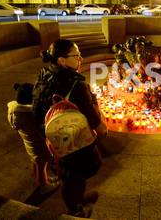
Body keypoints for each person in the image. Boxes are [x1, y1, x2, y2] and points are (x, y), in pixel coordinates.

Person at [32, 39, 107, 217]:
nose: (80, 59)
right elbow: (94, 119)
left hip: (54, 136)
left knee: (68, 172)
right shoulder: (76, 84)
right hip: (75, 139)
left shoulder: (44, 74)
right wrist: (101, 129)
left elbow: (36, 107)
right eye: (76, 55)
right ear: (62, 60)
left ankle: (77, 199)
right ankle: (75, 209)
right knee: (76, 174)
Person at [7, 83, 59, 195]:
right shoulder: (29, 115)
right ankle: (44, 185)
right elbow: (42, 128)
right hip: (38, 144)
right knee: (42, 164)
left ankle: (40, 180)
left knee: (36, 162)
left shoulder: (15, 111)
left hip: (30, 144)